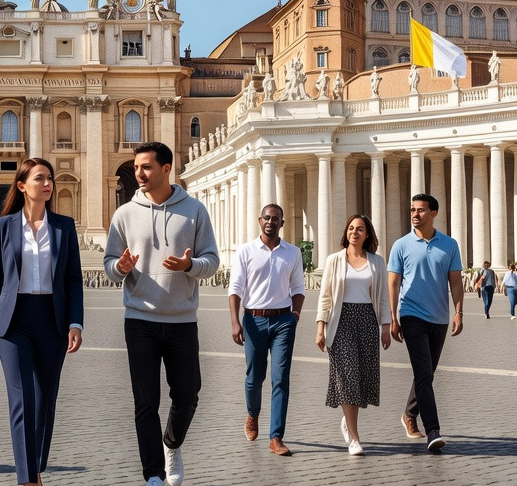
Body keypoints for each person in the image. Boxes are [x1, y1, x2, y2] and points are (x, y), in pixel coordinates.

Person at [104, 142, 220, 486]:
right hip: (139, 319)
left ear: (167, 168)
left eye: (146, 167)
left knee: (188, 394)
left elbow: (212, 261)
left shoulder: (195, 210)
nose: (138, 173)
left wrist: (190, 265)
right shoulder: (124, 214)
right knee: (145, 401)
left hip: (182, 319)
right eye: (137, 167)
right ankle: (153, 473)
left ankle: (172, 443)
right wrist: (120, 267)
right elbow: (109, 265)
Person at [0, 158, 84, 486]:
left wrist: (75, 323)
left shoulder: (64, 227)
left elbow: (72, 280)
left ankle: (35, 465)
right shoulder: (3, 226)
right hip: (13, 321)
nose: (48, 183)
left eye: (50, 178)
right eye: (40, 178)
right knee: (22, 397)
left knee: (45, 398)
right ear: (22, 186)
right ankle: (28, 478)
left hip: (52, 319)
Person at [388, 193, 464, 453]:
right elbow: (393, 282)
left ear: (434, 213)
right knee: (423, 373)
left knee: (427, 373)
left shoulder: (450, 245)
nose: (414, 214)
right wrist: (393, 317)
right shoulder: (401, 245)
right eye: (412, 210)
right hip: (411, 315)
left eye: (420, 210)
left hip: (440, 316)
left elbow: (455, 281)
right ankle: (433, 430)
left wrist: (458, 312)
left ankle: (409, 414)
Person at [228, 204, 304, 456]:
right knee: (254, 378)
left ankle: (276, 437)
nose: (271, 222)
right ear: (259, 220)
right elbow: (236, 288)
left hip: (283, 321)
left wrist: (295, 315)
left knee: (280, 379)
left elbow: (299, 287)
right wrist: (235, 321)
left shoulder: (292, 253)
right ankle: (252, 414)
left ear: (282, 223)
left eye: (276, 218)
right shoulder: (246, 251)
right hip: (254, 320)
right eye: (267, 218)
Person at [314, 214, 391, 457]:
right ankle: (355, 439)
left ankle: (348, 423)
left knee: (361, 378)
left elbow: (382, 298)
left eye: (359, 229)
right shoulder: (334, 260)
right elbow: (325, 296)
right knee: (347, 377)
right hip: (341, 320)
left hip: (367, 319)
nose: (354, 232)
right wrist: (320, 328)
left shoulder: (377, 262)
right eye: (350, 228)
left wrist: (386, 327)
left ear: (367, 234)